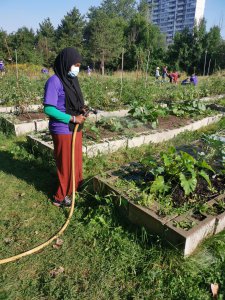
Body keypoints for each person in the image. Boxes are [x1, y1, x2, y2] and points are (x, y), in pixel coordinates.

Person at [43, 47, 86, 207]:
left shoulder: (72, 80)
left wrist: (81, 109)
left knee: (75, 161)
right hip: (62, 128)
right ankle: (60, 197)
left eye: (79, 65)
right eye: (75, 64)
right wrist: (72, 117)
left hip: (75, 128)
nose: (77, 68)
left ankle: (73, 188)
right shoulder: (54, 81)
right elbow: (48, 108)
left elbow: (74, 101)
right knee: (66, 163)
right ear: (66, 63)